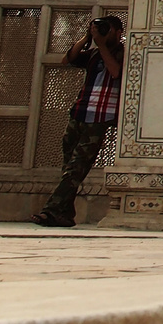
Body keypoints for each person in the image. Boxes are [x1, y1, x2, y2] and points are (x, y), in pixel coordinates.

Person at [32, 14, 124, 227]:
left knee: (76, 166)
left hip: (100, 117)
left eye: (106, 29)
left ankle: (52, 210)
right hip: (80, 112)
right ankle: (64, 214)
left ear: (118, 33)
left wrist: (102, 45)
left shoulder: (122, 52)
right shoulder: (92, 54)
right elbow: (67, 60)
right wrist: (86, 38)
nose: (102, 33)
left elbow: (115, 71)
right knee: (70, 167)